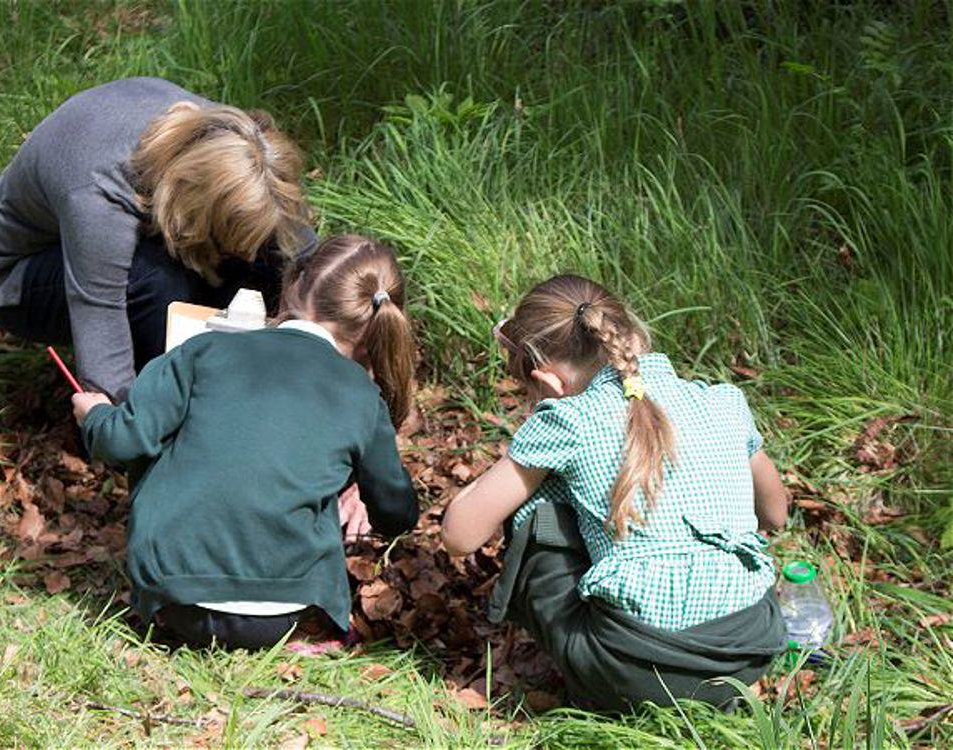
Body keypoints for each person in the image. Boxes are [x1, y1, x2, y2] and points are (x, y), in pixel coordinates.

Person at [442, 274, 789, 710]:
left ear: (547, 380)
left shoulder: (569, 420)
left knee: (537, 505)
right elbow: (776, 514)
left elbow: (458, 535)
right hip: (748, 652)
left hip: (628, 671)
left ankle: (596, 684)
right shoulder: (724, 401)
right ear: (631, 333)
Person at [70, 235, 418, 650]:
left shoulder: (202, 350)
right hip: (290, 612)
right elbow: (397, 513)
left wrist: (93, 415)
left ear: (293, 285)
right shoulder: (363, 397)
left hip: (176, 601)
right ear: (374, 327)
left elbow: (124, 440)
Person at [0, 77, 317, 402]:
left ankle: (253, 379)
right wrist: (121, 430)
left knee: (268, 256)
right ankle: (168, 405)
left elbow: (306, 258)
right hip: (24, 280)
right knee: (158, 283)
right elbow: (101, 322)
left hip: (144, 227)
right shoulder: (98, 195)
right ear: (190, 200)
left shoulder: (234, 144)